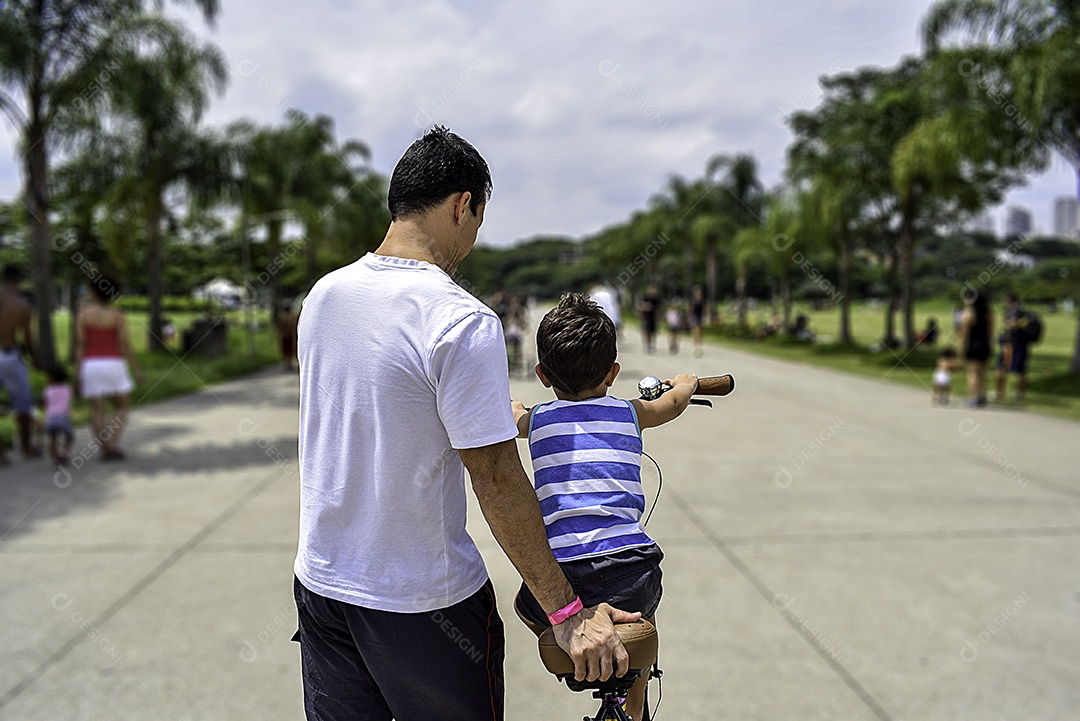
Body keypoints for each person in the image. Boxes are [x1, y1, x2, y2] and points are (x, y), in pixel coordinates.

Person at [293, 126, 638, 721]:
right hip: (424, 603)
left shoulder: (324, 297)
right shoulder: (460, 320)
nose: (473, 240)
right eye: (477, 221)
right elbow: (497, 479)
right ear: (462, 205)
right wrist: (567, 613)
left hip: (323, 585)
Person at [510, 292, 697, 721]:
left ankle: (564, 639)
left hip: (564, 572)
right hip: (633, 567)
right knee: (644, 621)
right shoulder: (629, 412)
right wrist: (685, 383)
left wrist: (519, 407)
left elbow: (513, 413)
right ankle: (635, 704)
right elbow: (672, 403)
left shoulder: (538, 419)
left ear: (542, 374)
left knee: (527, 603)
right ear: (613, 373)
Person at [74, 276, 144, 460]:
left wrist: (77, 372)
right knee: (121, 405)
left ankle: (104, 448)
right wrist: (136, 368)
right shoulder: (117, 316)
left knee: (98, 408)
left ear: (94, 292)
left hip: (91, 364)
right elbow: (125, 343)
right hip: (114, 363)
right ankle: (113, 444)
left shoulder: (84, 316)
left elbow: (81, 345)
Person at [0, 264, 43, 462]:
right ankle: (26, 447)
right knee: (23, 403)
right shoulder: (22, 307)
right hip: (10, 356)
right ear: (18, 281)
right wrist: (36, 361)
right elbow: (28, 339)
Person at [996, 292, 1031, 404]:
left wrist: (1007, 323)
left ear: (1009, 300)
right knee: (1002, 369)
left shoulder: (1017, 312)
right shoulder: (1013, 311)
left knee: (1018, 371)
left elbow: (1013, 325)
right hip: (1011, 344)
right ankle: (1002, 393)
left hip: (1016, 345)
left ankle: (1017, 395)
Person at [959, 292, 992, 408]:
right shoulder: (989, 315)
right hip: (985, 344)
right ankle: (982, 396)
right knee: (982, 372)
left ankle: (973, 398)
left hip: (973, 345)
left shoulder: (969, 314)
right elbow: (990, 332)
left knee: (973, 373)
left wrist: (962, 348)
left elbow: (964, 333)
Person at [43, 365, 75, 466]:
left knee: (52, 438)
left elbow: (46, 403)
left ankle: (54, 457)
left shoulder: (47, 390)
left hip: (50, 417)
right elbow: (69, 400)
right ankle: (64, 451)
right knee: (70, 437)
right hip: (63, 417)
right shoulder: (67, 389)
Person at [638, 285, 660, 354]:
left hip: (653, 317)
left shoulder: (656, 299)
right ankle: (647, 344)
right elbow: (641, 305)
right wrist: (646, 307)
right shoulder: (646, 297)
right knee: (647, 331)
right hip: (646, 316)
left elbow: (658, 308)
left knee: (653, 332)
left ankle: (651, 344)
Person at [689, 286, 706, 357]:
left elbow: (704, 310)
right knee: (696, 331)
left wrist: (705, 317)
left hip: (700, 317)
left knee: (700, 332)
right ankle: (695, 346)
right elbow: (691, 310)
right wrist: (690, 317)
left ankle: (700, 346)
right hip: (694, 317)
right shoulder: (693, 301)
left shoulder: (702, 301)